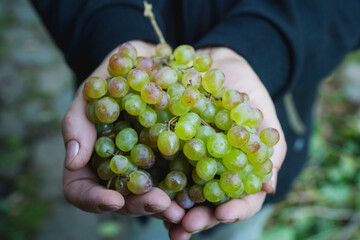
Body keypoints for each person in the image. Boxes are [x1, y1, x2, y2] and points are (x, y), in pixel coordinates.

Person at [30, 0, 360, 239]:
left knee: (238, 226)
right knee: (146, 218)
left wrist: (263, 46)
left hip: (275, 99)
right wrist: (107, 29)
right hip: (145, 193)